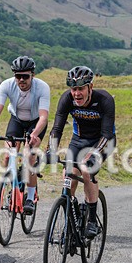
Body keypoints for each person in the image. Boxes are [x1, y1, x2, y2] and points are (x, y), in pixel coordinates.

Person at [46, 66, 116, 239]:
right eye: (73, 89)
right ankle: (73, 212)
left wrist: (94, 154)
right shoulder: (66, 99)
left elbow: (107, 134)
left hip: (102, 141)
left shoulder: (104, 100)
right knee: (68, 175)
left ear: (90, 87)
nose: (76, 93)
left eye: (81, 89)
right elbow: (57, 128)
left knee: (86, 170)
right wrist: (51, 149)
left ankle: (92, 221)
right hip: (79, 140)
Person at [0, 56, 50, 215]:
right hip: (17, 120)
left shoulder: (42, 87)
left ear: (32, 75)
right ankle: (9, 188)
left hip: (36, 122)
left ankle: (31, 197)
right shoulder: (6, 85)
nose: (21, 80)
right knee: (7, 155)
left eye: (25, 76)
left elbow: (44, 117)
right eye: (18, 76)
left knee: (29, 156)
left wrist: (33, 134)